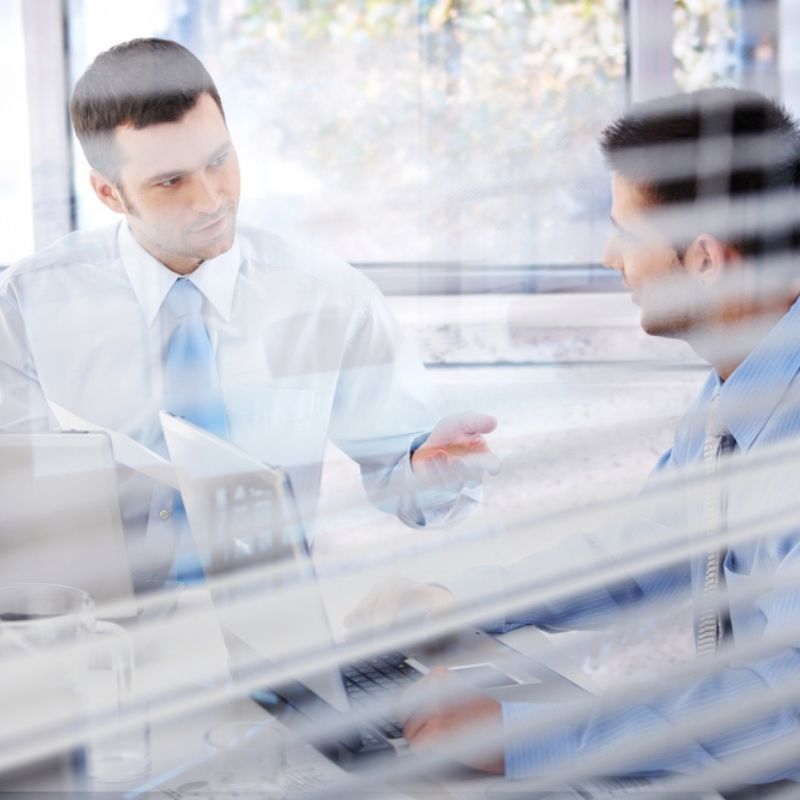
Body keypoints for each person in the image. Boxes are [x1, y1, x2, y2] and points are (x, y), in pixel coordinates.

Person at [349, 88, 800, 792]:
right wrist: (453, 600)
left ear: (706, 259)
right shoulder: (735, 395)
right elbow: (637, 554)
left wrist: (532, 735)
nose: (610, 255)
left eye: (628, 230)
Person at [0, 38, 498, 589]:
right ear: (109, 193)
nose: (212, 199)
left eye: (219, 161)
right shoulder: (25, 306)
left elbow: (409, 483)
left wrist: (432, 472)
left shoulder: (328, 300)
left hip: (268, 634)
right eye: (170, 182)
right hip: (91, 635)